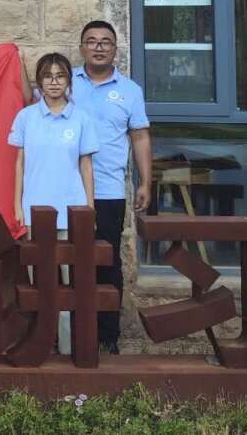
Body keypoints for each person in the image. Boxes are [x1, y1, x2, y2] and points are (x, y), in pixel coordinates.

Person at [8, 51, 98, 355]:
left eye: (60, 76)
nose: (54, 82)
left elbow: (86, 166)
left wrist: (89, 208)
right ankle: (42, 346)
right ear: (39, 82)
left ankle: (70, 348)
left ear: (69, 81)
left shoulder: (81, 118)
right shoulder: (26, 117)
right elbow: (19, 164)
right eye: (48, 76)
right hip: (36, 213)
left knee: (73, 286)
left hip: (71, 212)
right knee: (41, 285)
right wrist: (18, 206)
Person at [72, 20, 153, 356]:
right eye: (91, 41)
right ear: (82, 48)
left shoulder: (130, 91)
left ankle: (107, 336)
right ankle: (68, 336)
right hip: (66, 190)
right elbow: (30, 107)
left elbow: (140, 136)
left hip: (108, 191)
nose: (99, 47)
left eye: (105, 41)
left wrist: (146, 181)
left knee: (106, 262)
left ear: (115, 49)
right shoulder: (66, 82)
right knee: (66, 261)